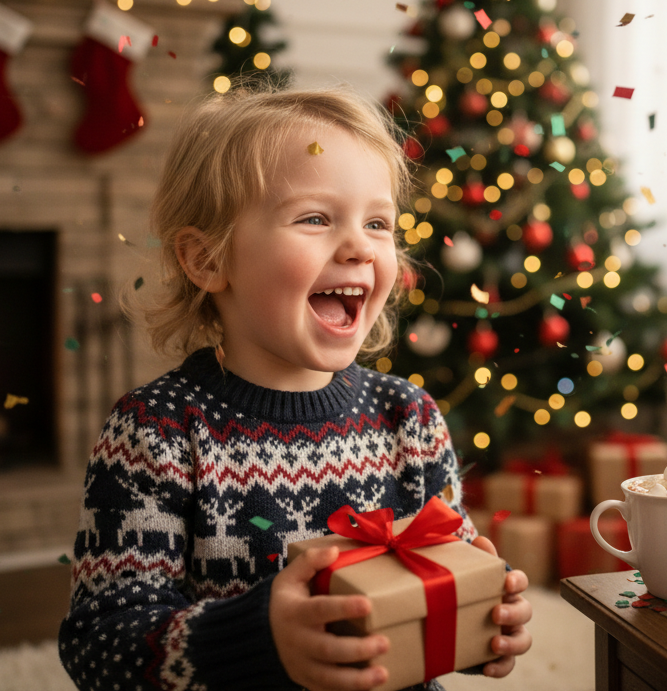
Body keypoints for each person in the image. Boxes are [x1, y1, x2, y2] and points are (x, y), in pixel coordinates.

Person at [58, 85, 533, 691]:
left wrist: (484, 618)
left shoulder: (407, 417)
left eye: (378, 223)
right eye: (314, 218)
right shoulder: (158, 429)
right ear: (208, 260)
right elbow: (100, 643)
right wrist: (261, 639)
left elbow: (440, 581)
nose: (360, 246)